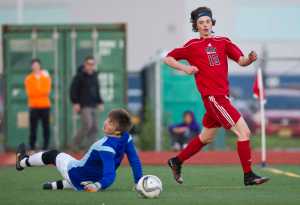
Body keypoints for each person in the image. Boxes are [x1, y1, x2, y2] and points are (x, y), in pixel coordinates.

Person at [165, 6, 269, 186]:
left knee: (206, 138)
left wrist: (250, 59)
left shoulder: (224, 42)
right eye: (200, 23)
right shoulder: (192, 46)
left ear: (212, 23)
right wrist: (186, 68)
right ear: (196, 26)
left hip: (221, 98)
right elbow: (168, 58)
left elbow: (242, 60)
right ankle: (248, 175)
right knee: (244, 132)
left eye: (207, 22)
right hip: (214, 98)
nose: (205, 25)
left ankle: (177, 161)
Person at [16, 109, 143, 192]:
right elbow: (134, 160)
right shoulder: (126, 137)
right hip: (93, 180)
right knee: (82, 174)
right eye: (108, 119)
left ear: (117, 131)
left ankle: (22, 162)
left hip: (76, 173)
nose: (106, 123)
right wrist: (139, 182)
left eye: (110, 123)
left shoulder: (106, 146)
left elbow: (110, 175)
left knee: (53, 154)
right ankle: (55, 185)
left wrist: (97, 186)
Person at [70, 56, 104, 149]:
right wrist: (75, 102)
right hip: (84, 105)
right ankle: (75, 144)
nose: (90, 66)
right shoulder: (79, 76)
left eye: (92, 64)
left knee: (95, 127)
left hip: (94, 104)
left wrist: (100, 102)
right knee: (88, 124)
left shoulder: (94, 76)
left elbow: (97, 90)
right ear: (85, 65)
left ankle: (91, 148)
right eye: (88, 64)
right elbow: (73, 90)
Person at [24, 59, 51, 151]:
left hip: (45, 106)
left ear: (40, 66)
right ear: (32, 67)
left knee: (46, 127)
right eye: (34, 65)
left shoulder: (46, 77)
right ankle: (32, 147)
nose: (35, 67)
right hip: (33, 106)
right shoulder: (28, 78)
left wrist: (38, 92)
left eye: (37, 65)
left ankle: (45, 147)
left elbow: (47, 91)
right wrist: (40, 92)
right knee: (33, 128)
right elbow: (30, 93)